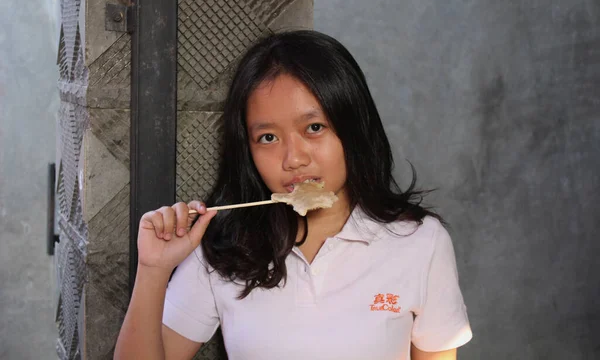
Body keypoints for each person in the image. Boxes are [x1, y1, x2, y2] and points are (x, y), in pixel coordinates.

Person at [114, 30, 473, 360]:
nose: (293, 159)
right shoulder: (223, 247)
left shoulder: (419, 242)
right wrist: (153, 269)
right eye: (268, 137)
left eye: (314, 128)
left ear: (353, 129)